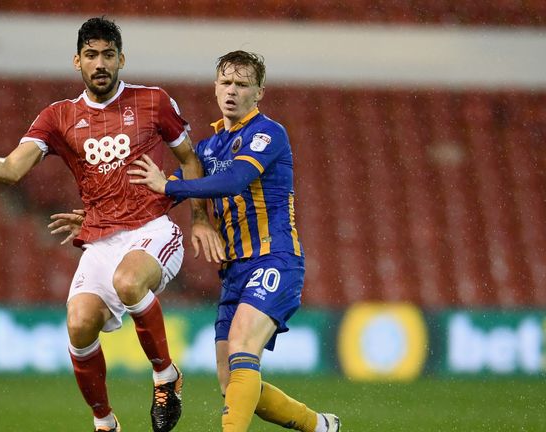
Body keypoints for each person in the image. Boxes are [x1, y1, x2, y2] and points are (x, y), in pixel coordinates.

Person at [0, 17, 223, 432]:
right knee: (79, 323)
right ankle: (105, 422)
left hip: (153, 228)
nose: (99, 63)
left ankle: (165, 375)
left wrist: (199, 220)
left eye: (107, 54)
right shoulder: (58, 117)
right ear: (77, 62)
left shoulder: (154, 102)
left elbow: (190, 159)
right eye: (91, 55)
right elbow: (13, 169)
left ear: (122, 59)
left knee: (128, 282)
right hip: (100, 241)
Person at [56, 50, 340, 431]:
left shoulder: (268, 133)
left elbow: (233, 181)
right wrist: (97, 221)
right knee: (231, 382)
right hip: (235, 271)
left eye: (242, 85)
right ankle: (320, 426)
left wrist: (172, 183)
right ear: (215, 87)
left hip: (275, 259)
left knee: (241, 348)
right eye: (226, 82)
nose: (232, 91)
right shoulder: (207, 148)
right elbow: (159, 197)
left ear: (259, 93)